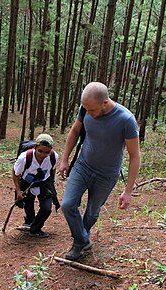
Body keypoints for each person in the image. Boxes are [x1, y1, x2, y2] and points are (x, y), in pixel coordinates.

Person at [58, 82, 141, 260]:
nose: (89, 113)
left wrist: (128, 191)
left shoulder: (126, 120)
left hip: (107, 174)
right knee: (67, 204)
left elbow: (135, 156)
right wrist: (64, 159)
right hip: (83, 166)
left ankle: (80, 242)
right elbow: (74, 131)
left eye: (92, 110)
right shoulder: (85, 109)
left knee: (92, 212)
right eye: (86, 109)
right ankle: (82, 241)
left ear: (105, 102)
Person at [12, 134, 59, 238]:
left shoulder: (53, 156)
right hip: (27, 183)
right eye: (40, 151)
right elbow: (15, 174)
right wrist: (19, 191)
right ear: (35, 147)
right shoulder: (24, 158)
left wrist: (52, 181)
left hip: (44, 182)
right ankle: (29, 221)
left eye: (47, 152)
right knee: (28, 204)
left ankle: (35, 228)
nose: (43, 155)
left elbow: (53, 168)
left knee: (47, 208)